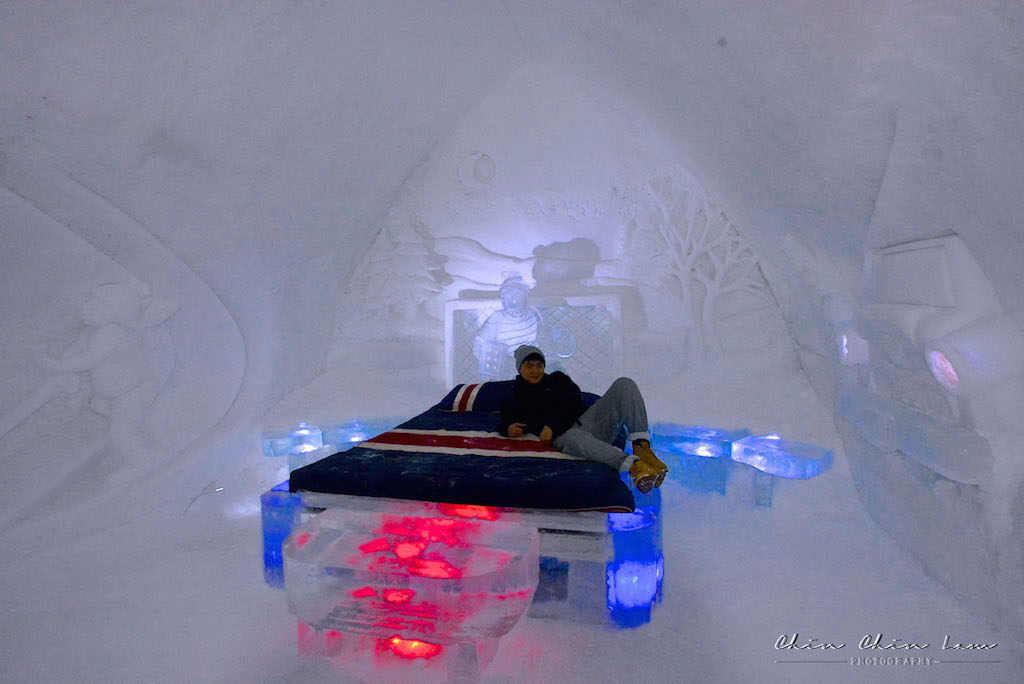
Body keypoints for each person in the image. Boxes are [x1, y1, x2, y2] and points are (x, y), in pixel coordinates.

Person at [499, 345, 667, 493]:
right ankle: (634, 467)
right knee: (573, 438)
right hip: (563, 437)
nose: (535, 371)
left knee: (624, 384)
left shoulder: (557, 379)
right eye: (529, 366)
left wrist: (551, 425)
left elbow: (574, 400)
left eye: (539, 365)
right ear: (520, 368)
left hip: (586, 421)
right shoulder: (513, 395)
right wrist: (508, 428)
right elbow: (505, 421)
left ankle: (642, 448)